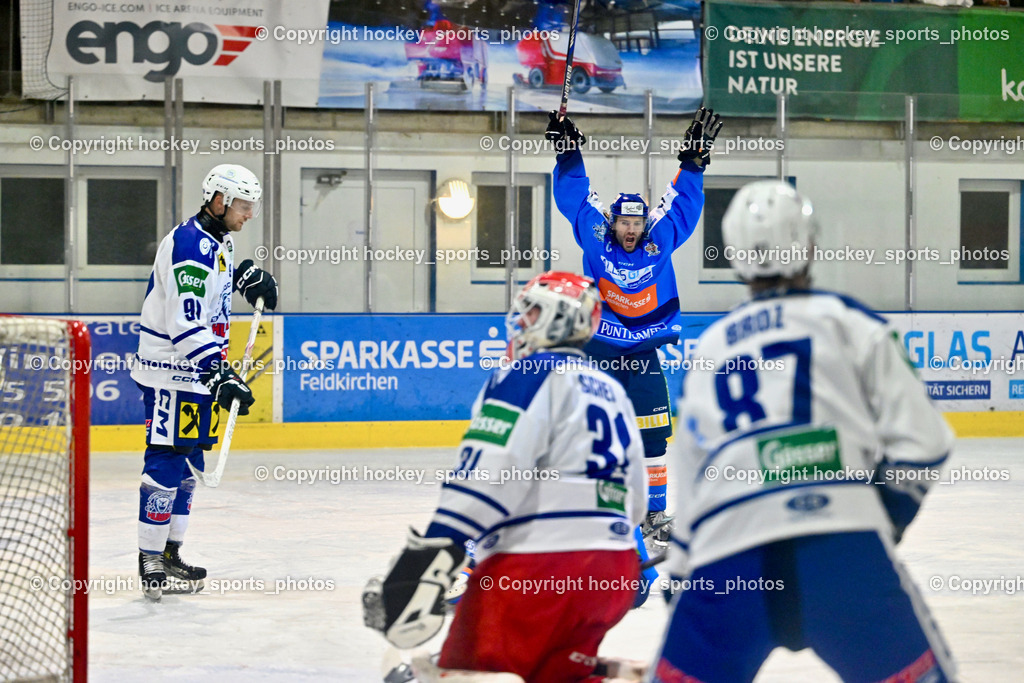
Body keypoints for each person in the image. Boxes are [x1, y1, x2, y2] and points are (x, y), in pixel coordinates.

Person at [650, 181, 956, 682]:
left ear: (733, 255)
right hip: (841, 550)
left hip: (727, 559)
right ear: (810, 244)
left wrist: (684, 575)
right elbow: (926, 443)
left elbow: (693, 476)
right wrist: (879, 515)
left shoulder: (709, 350)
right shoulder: (850, 322)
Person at [364, 272, 648, 683]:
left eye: (531, 311)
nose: (520, 321)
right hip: (612, 574)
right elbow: (635, 501)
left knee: (460, 672)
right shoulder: (612, 390)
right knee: (555, 675)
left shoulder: (527, 375)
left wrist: (435, 551)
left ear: (556, 319)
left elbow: (487, 471)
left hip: (538, 573)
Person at [545, 107, 724, 551]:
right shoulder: (595, 235)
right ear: (613, 222)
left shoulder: (659, 238)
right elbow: (575, 199)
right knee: (590, 430)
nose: (630, 229)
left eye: (636, 223)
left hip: (642, 352)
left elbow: (681, 206)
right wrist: (569, 156)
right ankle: (585, 509)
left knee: (653, 434)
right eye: (623, 222)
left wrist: (693, 162)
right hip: (599, 349)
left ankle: (653, 516)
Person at [130, 163, 278, 601]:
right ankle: (150, 557)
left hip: (194, 372)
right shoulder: (190, 245)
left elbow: (209, 291)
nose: (249, 214)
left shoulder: (219, 241)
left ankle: (170, 553)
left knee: (190, 465)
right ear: (219, 200)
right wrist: (217, 373)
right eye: (244, 206)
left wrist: (242, 278)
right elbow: (184, 320)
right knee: (168, 457)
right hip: (172, 370)